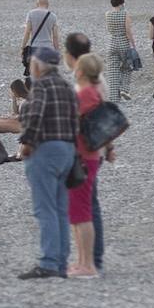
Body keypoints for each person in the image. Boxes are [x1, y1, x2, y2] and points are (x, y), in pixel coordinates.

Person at [17, 48, 79, 280]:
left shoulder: (41, 86)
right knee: (61, 209)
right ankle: (61, 262)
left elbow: (35, 116)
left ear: (38, 65)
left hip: (45, 150)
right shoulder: (67, 87)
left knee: (45, 209)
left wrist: (27, 143)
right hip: (66, 150)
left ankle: (49, 262)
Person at [62, 34, 106, 274]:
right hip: (88, 152)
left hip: (83, 154)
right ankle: (83, 261)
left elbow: (71, 121)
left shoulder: (86, 94)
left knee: (83, 210)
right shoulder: (94, 90)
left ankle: (88, 263)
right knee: (80, 210)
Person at [105, 0, 137, 102]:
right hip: (123, 42)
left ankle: (114, 97)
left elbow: (109, 29)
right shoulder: (125, 14)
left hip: (112, 43)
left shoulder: (108, 14)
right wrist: (133, 44)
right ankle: (124, 89)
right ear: (122, 3)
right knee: (127, 67)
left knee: (113, 70)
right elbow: (128, 31)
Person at [21, 0, 59, 76]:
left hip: (35, 47)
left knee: (35, 74)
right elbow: (55, 36)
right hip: (48, 48)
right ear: (48, 4)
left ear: (37, 4)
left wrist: (22, 47)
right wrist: (57, 51)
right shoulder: (53, 16)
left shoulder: (31, 14)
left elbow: (27, 32)